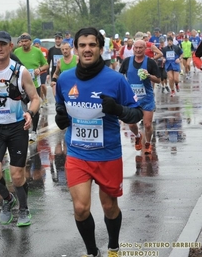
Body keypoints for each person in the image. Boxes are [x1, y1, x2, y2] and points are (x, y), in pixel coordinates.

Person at [55, 27, 143, 257]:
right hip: (77, 154)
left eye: (92, 45)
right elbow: (60, 106)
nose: (87, 49)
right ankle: (92, 251)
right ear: (75, 49)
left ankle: (113, 246)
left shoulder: (115, 80)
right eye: (82, 45)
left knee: (109, 206)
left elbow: (137, 114)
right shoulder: (65, 79)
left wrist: (117, 109)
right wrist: (60, 116)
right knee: (81, 208)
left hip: (107, 154)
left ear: (101, 49)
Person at [0, 31, 40, 227]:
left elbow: (36, 98)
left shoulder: (21, 72)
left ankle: (23, 208)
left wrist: (30, 111)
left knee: (17, 174)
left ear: (10, 46)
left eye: (3, 44)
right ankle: (7, 199)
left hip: (16, 127)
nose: (0, 48)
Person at [119, 39, 161, 154]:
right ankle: (137, 136)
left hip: (147, 98)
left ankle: (148, 143)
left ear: (145, 49)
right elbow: (120, 77)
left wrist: (149, 76)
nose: (138, 50)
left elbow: (158, 80)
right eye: (136, 48)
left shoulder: (150, 62)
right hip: (132, 99)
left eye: (140, 48)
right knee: (131, 124)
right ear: (133, 49)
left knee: (147, 125)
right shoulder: (127, 61)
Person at [14, 33, 48, 142]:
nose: (24, 44)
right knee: (21, 108)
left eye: (26, 41)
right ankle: (23, 130)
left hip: (35, 84)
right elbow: (12, 65)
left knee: (35, 108)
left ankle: (34, 131)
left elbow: (46, 64)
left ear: (30, 41)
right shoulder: (17, 52)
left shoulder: (37, 52)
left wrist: (40, 69)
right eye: (22, 41)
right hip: (21, 84)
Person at [32, 38, 49, 107]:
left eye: (37, 43)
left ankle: (45, 97)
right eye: (35, 43)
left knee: (43, 85)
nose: (36, 45)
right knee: (38, 87)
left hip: (42, 71)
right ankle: (42, 99)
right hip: (35, 72)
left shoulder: (44, 50)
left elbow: (47, 61)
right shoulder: (32, 51)